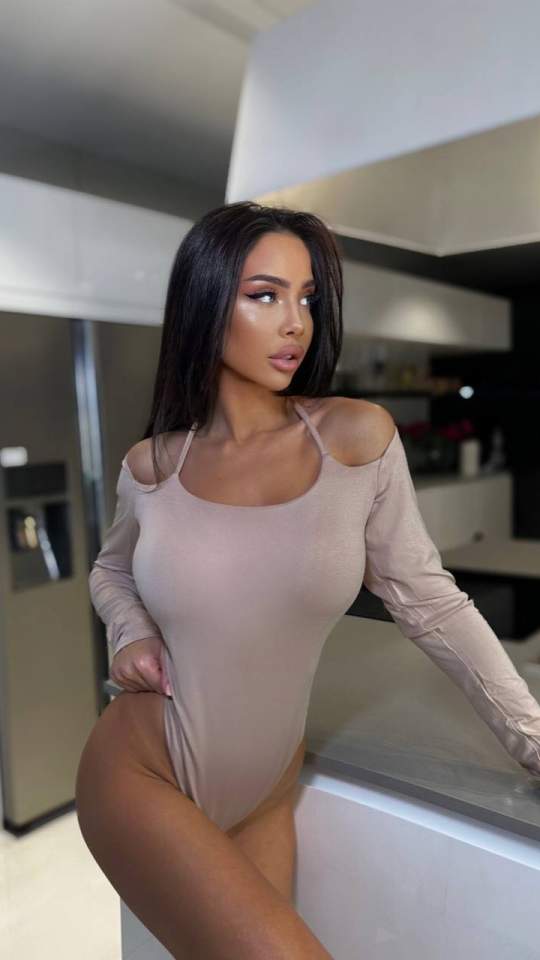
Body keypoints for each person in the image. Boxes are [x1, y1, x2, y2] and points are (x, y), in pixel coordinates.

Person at [75, 201, 540, 960]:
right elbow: (111, 569)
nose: (296, 322)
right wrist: (129, 633)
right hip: (144, 770)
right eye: (265, 295)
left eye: (307, 298)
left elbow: (431, 604)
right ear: (206, 303)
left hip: (265, 792)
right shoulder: (153, 465)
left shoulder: (356, 440)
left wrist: (532, 738)